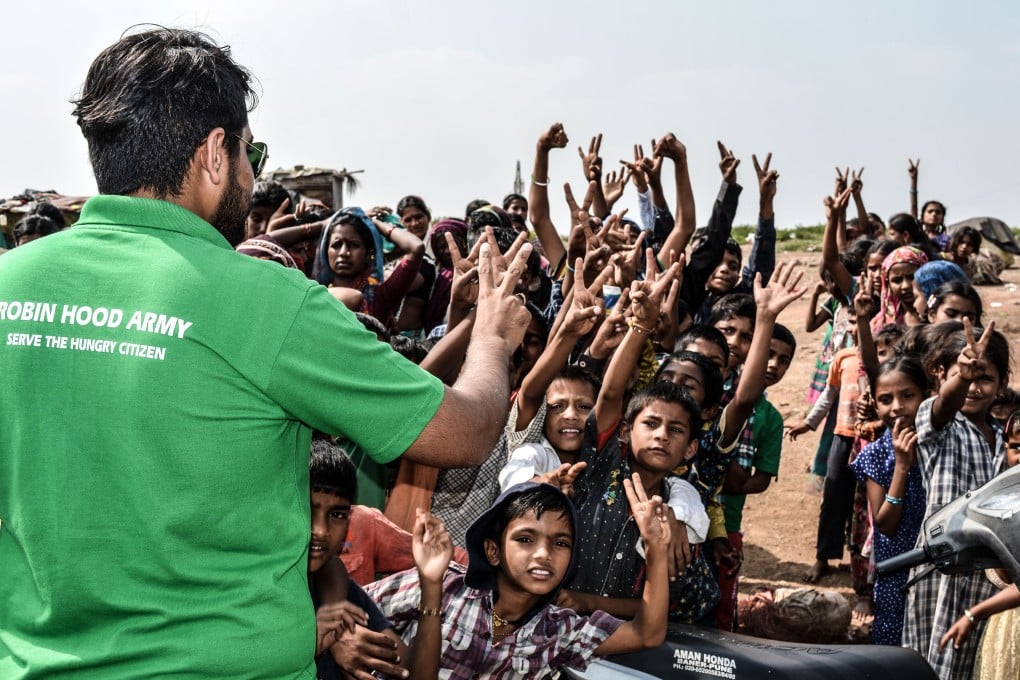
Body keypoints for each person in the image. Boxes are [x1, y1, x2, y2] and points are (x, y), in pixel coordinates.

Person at [0, 27, 531, 679]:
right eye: (250, 154)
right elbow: (469, 431)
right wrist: (491, 337)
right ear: (216, 154)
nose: (253, 177)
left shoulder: (9, 284)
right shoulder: (270, 302)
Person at [367, 481, 671, 679]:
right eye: (525, 539)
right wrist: (346, 640)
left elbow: (647, 634)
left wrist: (656, 549)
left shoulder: (559, 630)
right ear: (493, 551)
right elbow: (348, 606)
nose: (543, 554)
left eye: (561, 543)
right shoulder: (445, 585)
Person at [903, 321, 1011, 678]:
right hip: (943, 564)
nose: (975, 388)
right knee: (933, 658)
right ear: (943, 376)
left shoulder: (1006, 439)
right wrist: (962, 377)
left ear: (1002, 385)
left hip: (991, 572)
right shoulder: (939, 424)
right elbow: (944, 405)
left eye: (986, 379)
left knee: (976, 661)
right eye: (967, 377)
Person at [849, 356, 929, 645]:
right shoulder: (874, 455)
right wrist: (901, 466)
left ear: (927, 394)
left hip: (940, 566)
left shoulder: (940, 446)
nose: (897, 407)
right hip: (897, 573)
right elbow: (886, 525)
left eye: (908, 395)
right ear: (874, 403)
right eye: (886, 399)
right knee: (895, 648)